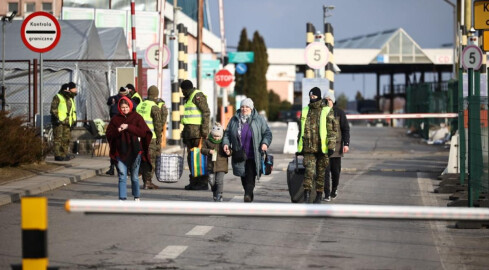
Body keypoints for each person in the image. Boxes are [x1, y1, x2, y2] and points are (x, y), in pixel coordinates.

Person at [223, 98, 272, 202]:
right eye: (242, 107)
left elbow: (267, 133)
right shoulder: (234, 119)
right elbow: (227, 133)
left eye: (247, 107)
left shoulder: (259, 119)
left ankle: (248, 194)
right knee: (243, 176)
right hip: (239, 153)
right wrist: (226, 144)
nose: (244, 109)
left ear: (251, 108)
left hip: (253, 154)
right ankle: (248, 192)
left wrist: (265, 143)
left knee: (250, 174)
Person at [106, 96, 152, 201]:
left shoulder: (136, 117)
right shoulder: (115, 119)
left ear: (130, 106)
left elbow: (144, 132)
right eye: (122, 107)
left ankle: (136, 196)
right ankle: (122, 198)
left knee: (134, 177)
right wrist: (118, 130)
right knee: (122, 175)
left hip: (135, 150)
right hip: (120, 151)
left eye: (126, 107)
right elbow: (109, 134)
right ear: (119, 108)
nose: (125, 109)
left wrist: (128, 127)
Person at [297, 87, 337, 204]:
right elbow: (301, 130)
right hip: (309, 148)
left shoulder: (326, 110)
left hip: (322, 148)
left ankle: (319, 195)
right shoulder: (305, 110)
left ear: (319, 97)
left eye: (314, 96)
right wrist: (299, 147)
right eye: (311, 96)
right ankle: (307, 194)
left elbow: (332, 130)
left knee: (321, 173)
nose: (312, 98)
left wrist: (331, 146)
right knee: (309, 172)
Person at [180, 79, 211, 190]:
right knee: (191, 159)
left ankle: (202, 183)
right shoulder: (188, 98)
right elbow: (188, 118)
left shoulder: (197, 96)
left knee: (200, 158)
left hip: (198, 134)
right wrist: (184, 133)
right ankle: (193, 182)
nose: (182, 92)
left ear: (185, 89)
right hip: (190, 134)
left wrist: (205, 131)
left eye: (182, 90)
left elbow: (206, 112)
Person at [323, 91, 350, 201]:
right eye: (326, 99)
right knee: (325, 172)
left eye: (329, 99)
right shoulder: (321, 112)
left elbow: (345, 129)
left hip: (337, 147)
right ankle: (327, 193)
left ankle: (334, 189)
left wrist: (346, 144)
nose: (327, 101)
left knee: (335, 171)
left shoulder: (339, 113)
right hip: (324, 148)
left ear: (333, 101)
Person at [136, 85, 164, 190]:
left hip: (139, 136)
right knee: (151, 159)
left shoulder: (140, 105)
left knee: (143, 158)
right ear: (156, 95)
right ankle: (148, 182)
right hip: (151, 137)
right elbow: (158, 125)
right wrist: (159, 138)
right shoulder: (154, 107)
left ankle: (145, 180)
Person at [201, 122, 229, 202]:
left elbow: (230, 151)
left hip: (221, 165)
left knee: (219, 181)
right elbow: (202, 150)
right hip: (211, 165)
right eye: (214, 136)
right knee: (211, 180)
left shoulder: (224, 142)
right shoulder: (207, 141)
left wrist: (228, 152)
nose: (216, 138)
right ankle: (215, 192)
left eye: (218, 136)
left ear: (221, 135)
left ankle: (219, 194)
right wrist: (209, 151)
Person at [106, 87, 131, 175]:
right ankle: (126, 169)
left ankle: (112, 168)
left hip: (114, 127)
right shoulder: (126, 100)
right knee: (125, 148)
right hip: (123, 126)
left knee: (114, 147)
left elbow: (108, 102)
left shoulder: (113, 99)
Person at [50, 82, 78, 161]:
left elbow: (73, 111)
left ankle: (64, 154)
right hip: (59, 122)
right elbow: (53, 109)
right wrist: (56, 119)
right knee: (58, 139)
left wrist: (74, 121)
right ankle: (58, 155)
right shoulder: (58, 97)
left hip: (67, 123)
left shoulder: (70, 99)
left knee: (66, 139)